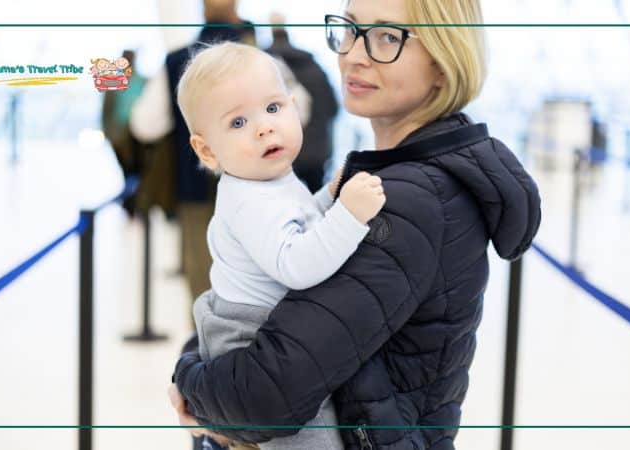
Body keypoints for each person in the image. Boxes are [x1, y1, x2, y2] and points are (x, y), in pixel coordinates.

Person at [170, 1, 542, 449]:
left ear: (444, 62)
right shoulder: (397, 179)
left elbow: (268, 396)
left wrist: (191, 381)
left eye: (387, 37)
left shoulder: (408, 201)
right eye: (350, 30)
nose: (354, 54)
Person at [176, 41, 386, 450]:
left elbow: (301, 222)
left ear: (294, 106)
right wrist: (349, 215)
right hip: (251, 337)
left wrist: (330, 196)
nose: (263, 127)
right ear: (206, 150)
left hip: (268, 329)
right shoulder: (248, 199)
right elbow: (296, 264)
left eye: (273, 109)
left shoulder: (269, 180)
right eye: (238, 123)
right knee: (307, 433)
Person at [130, 0, 256, 301]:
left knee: (204, 288)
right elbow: (298, 112)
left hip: (195, 188)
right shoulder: (260, 59)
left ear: (202, 10)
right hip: (257, 190)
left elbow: (144, 124)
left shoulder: (177, 61)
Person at [266, 13, 339, 193]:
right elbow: (333, 108)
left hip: (280, 155)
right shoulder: (314, 68)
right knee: (318, 205)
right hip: (317, 154)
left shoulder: (264, 70)